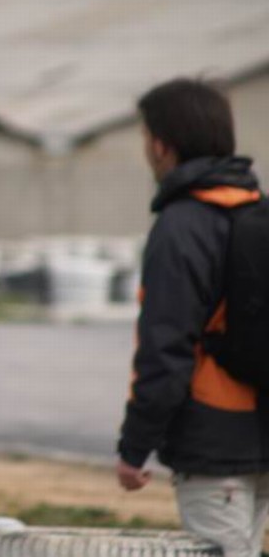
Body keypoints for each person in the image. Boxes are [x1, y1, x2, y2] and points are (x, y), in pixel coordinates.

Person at [116, 77, 269, 557]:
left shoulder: (182, 225)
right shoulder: (259, 210)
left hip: (212, 443)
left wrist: (134, 446)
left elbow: (166, 348)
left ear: (162, 145)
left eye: (146, 136)